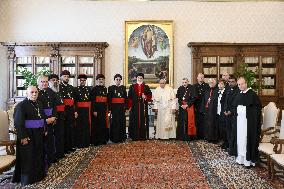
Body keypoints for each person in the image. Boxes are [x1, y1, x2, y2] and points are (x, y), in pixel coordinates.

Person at [12, 86, 53, 185]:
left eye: (36, 92)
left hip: (39, 133)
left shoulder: (39, 103)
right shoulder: (21, 106)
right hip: (28, 134)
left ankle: (38, 176)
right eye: (32, 92)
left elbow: (43, 117)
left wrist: (45, 129)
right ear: (27, 93)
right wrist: (23, 137)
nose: (34, 94)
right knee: (28, 157)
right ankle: (28, 179)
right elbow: (18, 123)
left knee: (38, 154)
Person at [232, 77, 262, 168]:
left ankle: (248, 161)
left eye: (242, 84)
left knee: (246, 140)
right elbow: (236, 106)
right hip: (239, 122)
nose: (240, 86)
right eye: (239, 84)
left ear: (246, 83)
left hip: (248, 123)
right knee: (240, 140)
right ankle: (240, 159)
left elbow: (256, 110)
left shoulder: (252, 94)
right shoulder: (239, 93)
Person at [37, 75, 57, 165]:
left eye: (46, 81)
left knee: (50, 139)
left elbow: (54, 106)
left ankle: (51, 158)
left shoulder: (50, 91)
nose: (44, 83)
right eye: (42, 82)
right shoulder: (36, 93)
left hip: (51, 118)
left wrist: (54, 117)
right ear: (38, 83)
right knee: (43, 141)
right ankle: (44, 160)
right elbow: (37, 110)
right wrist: (46, 120)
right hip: (42, 120)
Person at [128, 72, 152, 140]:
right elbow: (129, 97)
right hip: (134, 107)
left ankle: (142, 136)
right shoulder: (132, 86)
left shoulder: (146, 87)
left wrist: (146, 96)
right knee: (134, 120)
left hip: (143, 106)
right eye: (138, 78)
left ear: (143, 79)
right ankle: (134, 136)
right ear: (136, 78)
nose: (139, 79)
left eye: (141, 78)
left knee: (143, 120)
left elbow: (150, 96)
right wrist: (130, 106)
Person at [59, 70, 77, 153]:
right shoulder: (58, 88)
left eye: (67, 76)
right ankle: (65, 148)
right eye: (64, 76)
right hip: (63, 111)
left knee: (71, 129)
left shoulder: (71, 87)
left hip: (71, 111)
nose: (66, 78)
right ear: (61, 77)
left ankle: (70, 146)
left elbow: (75, 101)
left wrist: (75, 111)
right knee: (64, 130)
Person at [48, 74, 65, 159]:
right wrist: (53, 117)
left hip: (61, 116)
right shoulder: (49, 92)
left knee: (60, 135)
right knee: (55, 136)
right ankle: (54, 154)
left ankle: (60, 153)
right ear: (49, 82)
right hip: (54, 117)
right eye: (53, 80)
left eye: (56, 80)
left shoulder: (58, 91)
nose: (55, 82)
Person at [108, 74, 127, 143]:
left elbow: (125, 98)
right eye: (117, 79)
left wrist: (125, 107)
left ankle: (122, 138)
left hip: (121, 109)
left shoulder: (123, 88)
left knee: (121, 122)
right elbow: (109, 99)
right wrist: (109, 109)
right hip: (114, 109)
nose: (118, 81)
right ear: (114, 80)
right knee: (115, 123)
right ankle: (114, 138)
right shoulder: (111, 88)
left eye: (119, 80)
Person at [91, 74, 109, 145]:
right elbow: (92, 101)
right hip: (97, 109)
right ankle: (96, 141)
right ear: (97, 81)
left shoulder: (105, 88)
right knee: (97, 125)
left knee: (103, 125)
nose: (101, 81)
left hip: (103, 109)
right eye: (99, 79)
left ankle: (103, 140)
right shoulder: (94, 89)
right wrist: (94, 110)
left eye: (102, 79)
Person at [74, 74, 92, 148]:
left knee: (86, 126)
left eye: (84, 80)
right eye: (81, 80)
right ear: (79, 81)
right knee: (79, 126)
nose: (83, 82)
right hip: (79, 110)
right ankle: (79, 143)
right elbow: (74, 101)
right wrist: (75, 111)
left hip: (87, 110)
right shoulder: (76, 89)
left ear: (86, 81)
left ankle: (86, 142)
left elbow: (91, 100)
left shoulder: (89, 89)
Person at [223, 76, 239, 154]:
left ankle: (234, 149)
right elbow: (225, 101)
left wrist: (231, 111)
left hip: (234, 115)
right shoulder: (228, 89)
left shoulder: (238, 90)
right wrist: (225, 110)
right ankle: (230, 147)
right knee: (228, 131)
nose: (231, 83)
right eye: (229, 81)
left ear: (236, 82)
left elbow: (237, 104)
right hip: (227, 114)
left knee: (233, 132)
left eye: (232, 81)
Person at [193, 73, 209, 139]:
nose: (201, 79)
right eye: (200, 77)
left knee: (204, 121)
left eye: (202, 77)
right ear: (197, 78)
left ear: (203, 78)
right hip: (196, 106)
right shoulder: (194, 86)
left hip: (205, 106)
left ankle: (204, 135)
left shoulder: (207, 85)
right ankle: (197, 135)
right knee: (197, 121)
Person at [202, 78, 219, 142]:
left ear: (215, 83)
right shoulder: (207, 90)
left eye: (212, 82)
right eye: (209, 83)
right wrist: (203, 110)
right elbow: (204, 100)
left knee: (213, 124)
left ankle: (214, 138)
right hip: (207, 110)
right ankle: (207, 137)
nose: (210, 84)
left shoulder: (217, 90)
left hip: (214, 110)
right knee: (207, 124)